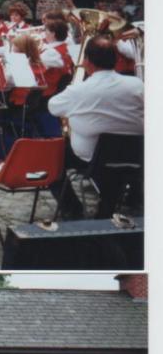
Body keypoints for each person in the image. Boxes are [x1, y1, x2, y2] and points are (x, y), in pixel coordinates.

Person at [48, 35, 144, 218]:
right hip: (135, 154)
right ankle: (109, 208)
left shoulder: (78, 90)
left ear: (87, 61)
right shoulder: (138, 85)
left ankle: (73, 211)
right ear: (116, 60)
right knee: (115, 158)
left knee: (49, 161)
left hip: (92, 157)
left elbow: (53, 106)